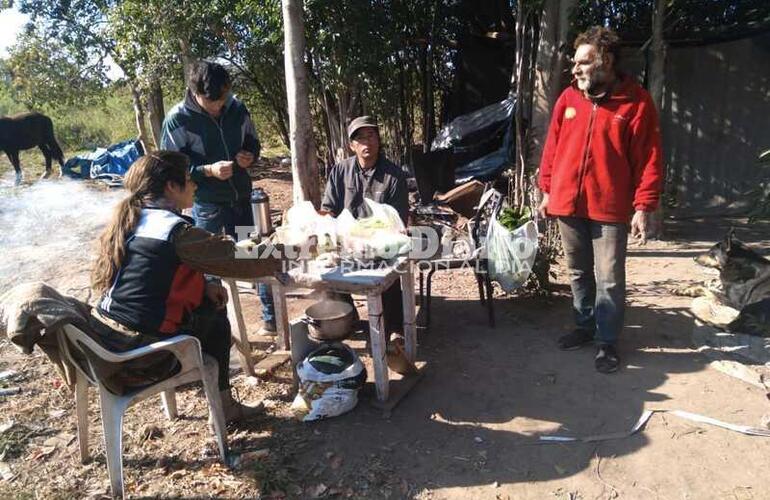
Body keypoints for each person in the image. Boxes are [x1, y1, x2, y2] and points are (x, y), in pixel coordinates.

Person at [89, 151, 284, 421]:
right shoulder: (175, 231)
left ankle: (220, 400)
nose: (194, 185)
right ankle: (224, 407)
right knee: (215, 318)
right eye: (188, 180)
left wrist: (203, 284)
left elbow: (153, 272)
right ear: (171, 186)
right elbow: (238, 260)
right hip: (142, 356)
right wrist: (292, 251)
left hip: (106, 342)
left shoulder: (131, 221)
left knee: (208, 302)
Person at [537, 26, 664, 373]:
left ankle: (606, 342)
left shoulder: (636, 102)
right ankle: (584, 326)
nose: (575, 70)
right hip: (567, 203)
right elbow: (552, 149)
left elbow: (649, 157)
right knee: (578, 272)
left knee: (609, 277)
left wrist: (642, 206)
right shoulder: (568, 99)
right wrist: (547, 189)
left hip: (609, 208)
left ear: (605, 60)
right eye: (574, 63)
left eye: (583, 62)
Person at [160, 60, 277, 336]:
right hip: (208, 205)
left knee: (255, 252)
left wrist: (250, 155)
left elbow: (253, 141)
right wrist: (207, 171)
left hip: (242, 199)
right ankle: (217, 328)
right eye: (211, 101)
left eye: (222, 98)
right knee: (210, 265)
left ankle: (270, 317)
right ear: (194, 92)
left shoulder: (237, 108)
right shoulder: (177, 119)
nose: (218, 106)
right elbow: (170, 168)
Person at [321, 116, 409, 333]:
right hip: (347, 243)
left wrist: (371, 238)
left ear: (378, 140)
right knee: (328, 276)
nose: (367, 142)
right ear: (352, 146)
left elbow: (398, 221)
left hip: (381, 244)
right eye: (360, 138)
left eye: (371, 136)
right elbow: (329, 209)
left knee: (388, 280)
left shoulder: (394, 175)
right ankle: (347, 319)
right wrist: (320, 226)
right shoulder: (340, 171)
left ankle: (394, 332)